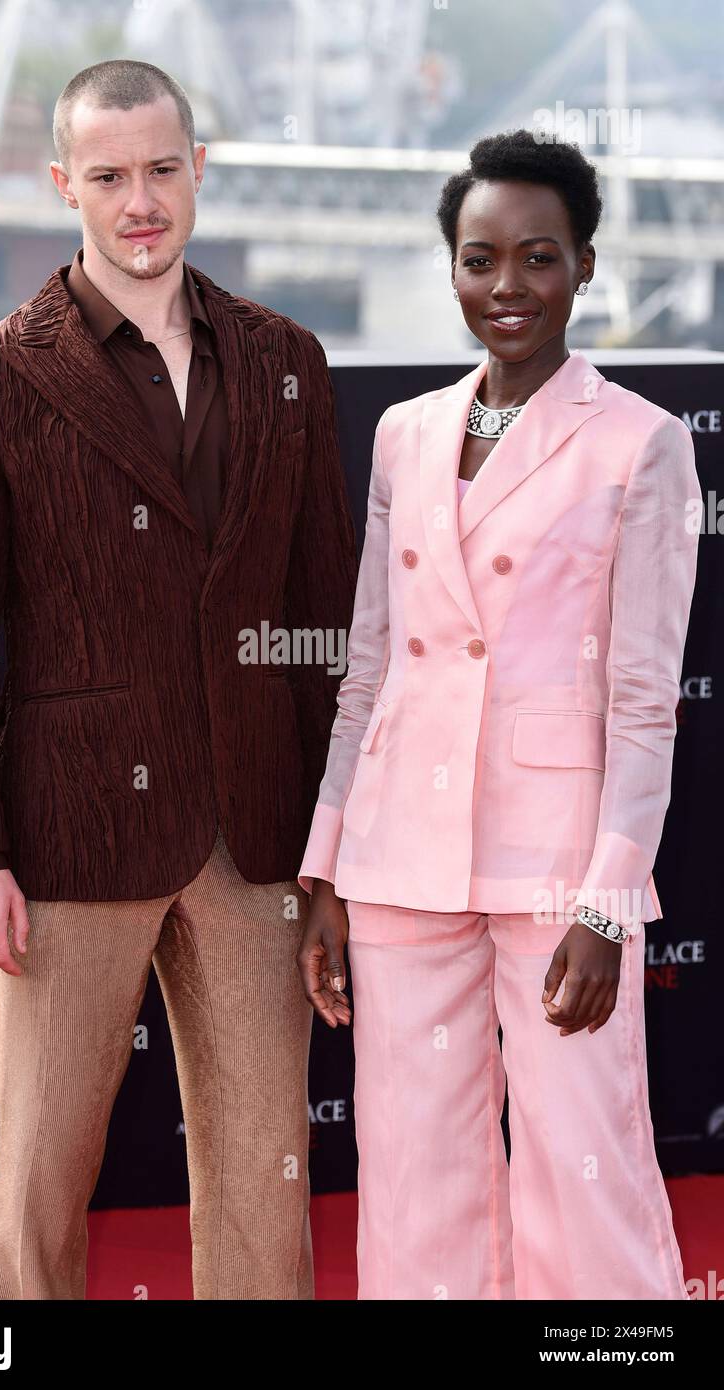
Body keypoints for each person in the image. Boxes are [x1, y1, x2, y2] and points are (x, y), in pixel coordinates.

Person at [0, 59, 358, 1301]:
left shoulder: (290, 364)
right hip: (65, 835)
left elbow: (325, 624)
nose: (139, 199)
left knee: (268, 1177)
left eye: (161, 169)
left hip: (258, 835)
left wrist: (335, 852)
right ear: (64, 186)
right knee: (38, 1175)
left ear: (199, 169)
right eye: (108, 176)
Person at [297, 129, 700, 1300]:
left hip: (556, 863)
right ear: (453, 268)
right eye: (481, 260)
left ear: (583, 264)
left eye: (537, 257)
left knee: (591, 1163)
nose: (507, 287)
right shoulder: (404, 432)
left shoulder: (642, 444)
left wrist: (611, 902)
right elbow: (368, 667)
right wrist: (327, 865)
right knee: (415, 1163)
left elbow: (643, 701)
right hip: (398, 856)